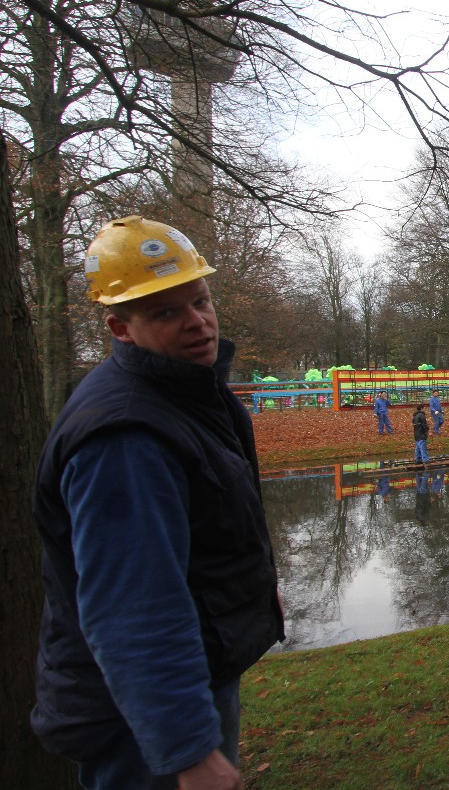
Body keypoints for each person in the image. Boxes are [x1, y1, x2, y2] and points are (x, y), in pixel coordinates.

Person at [31, 215, 284, 788]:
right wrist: (188, 751)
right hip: (139, 719)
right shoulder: (125, 438)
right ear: (121, 328)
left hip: (193, 674)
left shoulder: (187, 392)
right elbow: (132, 606)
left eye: (200, 301)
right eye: (166, 312)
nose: (197, 322)